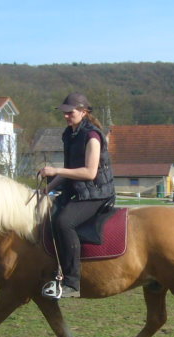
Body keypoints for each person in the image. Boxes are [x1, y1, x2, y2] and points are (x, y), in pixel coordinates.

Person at [39, 92, 115, 299]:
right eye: (63, 113)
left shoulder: (92, 136)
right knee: (47, 217)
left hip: (97, 194)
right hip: (78, 192)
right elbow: (69, 169)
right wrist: (46, 189)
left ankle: (72, 282)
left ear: (83, 111)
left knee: (64, 222)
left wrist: (55, 171)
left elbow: (89, 173)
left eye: (69, 112)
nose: (65, 116)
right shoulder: (70, 134)